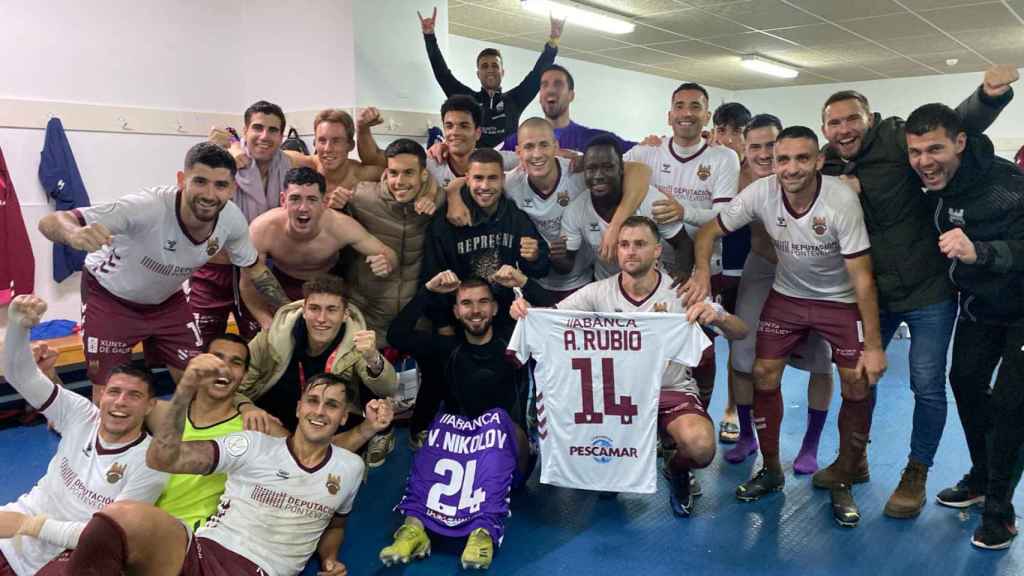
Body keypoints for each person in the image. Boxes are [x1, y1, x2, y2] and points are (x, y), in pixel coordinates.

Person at [816, 64, 1018, 519]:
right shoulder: (827, 164)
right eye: (834, 122)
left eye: (852, 119)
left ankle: (916, 471)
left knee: (926, 385)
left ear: (870, 119)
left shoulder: (895, 139)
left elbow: (952, 126)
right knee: (857, 377)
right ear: (825, 129)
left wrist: (988, 96)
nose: (844, 129)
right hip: (874, 294)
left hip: (929, 291)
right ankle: (854, 458)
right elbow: (779, 171)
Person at [683, 126, 886, 528]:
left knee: (857, 382)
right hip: (788, 295)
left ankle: (843, 477)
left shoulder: (840, 199)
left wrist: (875, 345)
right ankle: (772, 469)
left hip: (839, 299)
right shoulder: (761, 192)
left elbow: (862, 277)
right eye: (783, 159)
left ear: (818, 161)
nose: (791, 168)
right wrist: (702, 272)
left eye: (802, 158)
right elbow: (708, 231)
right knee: (762, 372)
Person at [510, 216, 747, 516]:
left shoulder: (682, 293)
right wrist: (525, 310)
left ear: (657, 251)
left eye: (639, 244)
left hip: (668, 389)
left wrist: (718, 316)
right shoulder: (598, 292)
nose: (630, 251)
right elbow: (551, 319)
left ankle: (676, 469)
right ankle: (613, 467)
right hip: (614, 399)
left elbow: (741, 332)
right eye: (624, 244)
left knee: (700, 447)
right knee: (604, 486)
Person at [41, 369, 365, 576]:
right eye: (312, 401)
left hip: (261, 569)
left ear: (344, 418)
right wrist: (184, 390)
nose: (319, 411)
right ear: (298, 407)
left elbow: (335, 524)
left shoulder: (350, 469)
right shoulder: (253, 444)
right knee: (119, 516)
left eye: (332, 405)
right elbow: (164, 458)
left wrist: (330, 559)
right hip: (201, 549)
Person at [37, 142, 291, 397]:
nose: (209, 194)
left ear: (232, 188)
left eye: (220, 185)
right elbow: (51, 221)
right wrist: (74, 234)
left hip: (167, 301)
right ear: (181, 180)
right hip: (110, 298)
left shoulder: (232, 220)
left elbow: (255, 270)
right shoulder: (148, 207)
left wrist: (289, 310)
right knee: (111, 395)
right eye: (200, 181)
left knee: (198, 384)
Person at [903, 103, 1024, 550]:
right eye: (915, 151)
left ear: (960, 143)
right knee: (966, 383)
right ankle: (981, 476)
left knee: (1011, 404)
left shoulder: (1008, 184)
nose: (924, 161)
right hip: (981, 305)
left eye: (934, 149)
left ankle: (999, 511)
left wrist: (983, 252)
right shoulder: (932, 182)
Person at [0, 295, 168, 576]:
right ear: (102, 396)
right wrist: (18, 326)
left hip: (59, 560)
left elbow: (107, 537)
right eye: (114, 392)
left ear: (150, 405)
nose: (120, 402)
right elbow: (21, 376)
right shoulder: (81, 414)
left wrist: (29, 526)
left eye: (134, 395)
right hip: (11, 531)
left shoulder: (150, 464)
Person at [381, 276, 531, 569]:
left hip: (512, 454)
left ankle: (483, 531)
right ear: (456, 311)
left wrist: (527, 293)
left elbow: (561, 326)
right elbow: (397, 335)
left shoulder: (516, 340)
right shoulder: (446, 346)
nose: (475, 310)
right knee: (439, 426)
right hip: (459, 454)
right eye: (466, 303)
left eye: (483, 302)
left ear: (495, 308)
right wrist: (427, 290)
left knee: (496, 420)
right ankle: (413, 528)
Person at [724, 115, 835, 474]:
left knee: (820, 359)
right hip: (761, 268)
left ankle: (810, 444)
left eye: (770, 146)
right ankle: (746, 435)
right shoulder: (734, 177)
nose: (762, 153)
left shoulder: (807, 176)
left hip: (812, 274)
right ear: (743, 149)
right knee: (742, 356)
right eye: (754, 146)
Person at [624, 83, 742, 411]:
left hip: (702, 269)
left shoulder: (723, 157)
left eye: (695, 106)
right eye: (679, 106)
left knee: (702, 348)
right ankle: (648, 413)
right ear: (669, 115)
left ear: (706, 116)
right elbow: (603, 168)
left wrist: (683, 211)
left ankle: (700, 409)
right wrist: (570, 159)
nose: (686, 113)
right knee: (650, 347)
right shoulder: (646, 152)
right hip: (652, 270)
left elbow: (726, 216)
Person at [235, 275, 398, 468]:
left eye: (331, 310)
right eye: (314, 308)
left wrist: (373, 357)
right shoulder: (272, 337)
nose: (321, 319)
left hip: (324, 418)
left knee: (334, 450)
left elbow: (388, 388)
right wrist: (247, 407)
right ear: (304, 310)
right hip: (272, 417)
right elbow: (233, 387)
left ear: (345, 314)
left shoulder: (357, 342)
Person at [504, 117, 654, 301]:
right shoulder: (511, 183)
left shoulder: (578, 171)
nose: (537, 154)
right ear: (518, 152)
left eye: (544, 145)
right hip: (536, 281)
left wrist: (615, 226)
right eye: (528, 147)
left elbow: (640, 170)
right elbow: (480, 181)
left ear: (556, 146)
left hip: (583, 280)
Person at [239, 166, 397, 331]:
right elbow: (247, 284)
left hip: (330, 285)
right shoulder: (262, 229)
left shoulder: (341, 226)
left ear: (324, 203)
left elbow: (389, 254)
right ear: (283, 200)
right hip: (281, 286)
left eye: (312, 199)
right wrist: (264, 319)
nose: (303, 208)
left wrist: (386, 263)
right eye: (295, 199)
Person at [420, 147, 552, 336]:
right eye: (478, 178)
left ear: (503, 179)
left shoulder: (515, 217)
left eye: (492, 178)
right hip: (458, 323)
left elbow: (540, 270)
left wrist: (535, 257)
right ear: (467, 179)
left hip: (505, 321)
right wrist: (443, 325)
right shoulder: (446, 220)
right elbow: (431, 274)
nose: (485, 186)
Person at [192, 100, 293, 344]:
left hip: (259, 270)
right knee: (202, 346)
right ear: (245, 130)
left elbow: (322, 164)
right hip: (214, 272)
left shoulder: (289, 164)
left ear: (281, 136)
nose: (264, 136)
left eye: (273, 130)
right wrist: (227, 145)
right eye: (257, 128)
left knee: (260, 344)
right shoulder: (223, 164)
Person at [341, 138, 442, 347]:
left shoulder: (438, 200)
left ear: (423, 175)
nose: (399, 181)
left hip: (415, 324)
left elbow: (458, 188)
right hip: (367, 321)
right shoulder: (361, 197)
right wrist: (336, 206)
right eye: (393, 173)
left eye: (408, 173)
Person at [418, 6, 563, 148]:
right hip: (476, 162)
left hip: (509, 162)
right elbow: (443, 75)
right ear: (478, 74)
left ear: (502, 72)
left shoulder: (515, 100)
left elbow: (537, 76)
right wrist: (429, 37)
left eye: (494, 66)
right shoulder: (468, 100)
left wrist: (553, 41)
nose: (490, 70)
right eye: (484, 66)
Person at [556, 135, 690, 284]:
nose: (598, 176)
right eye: (591, 169)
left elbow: (683, 243)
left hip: (648, 287)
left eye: (608, 167)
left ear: (621, 168)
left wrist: (681, 274)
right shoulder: (575, 210)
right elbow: (566, 265)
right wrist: (557, 257)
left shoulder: (653, 201)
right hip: (604, 285)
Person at [709, 102, 752, 442]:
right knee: (698, 342)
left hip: (743, 269)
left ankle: (732, 409)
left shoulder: (758, 172)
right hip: (707, 266)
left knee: (739, 344)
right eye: (721, 130)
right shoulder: (706, 163)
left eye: (736, 132)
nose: (727, 138)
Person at [501, 64, 636, 153]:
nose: (550, 90)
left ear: (571, 95)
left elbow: (641, 154)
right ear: (540, 97)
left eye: (558, 84)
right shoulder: (517, 140)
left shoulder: (594, 139)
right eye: (544, 85)